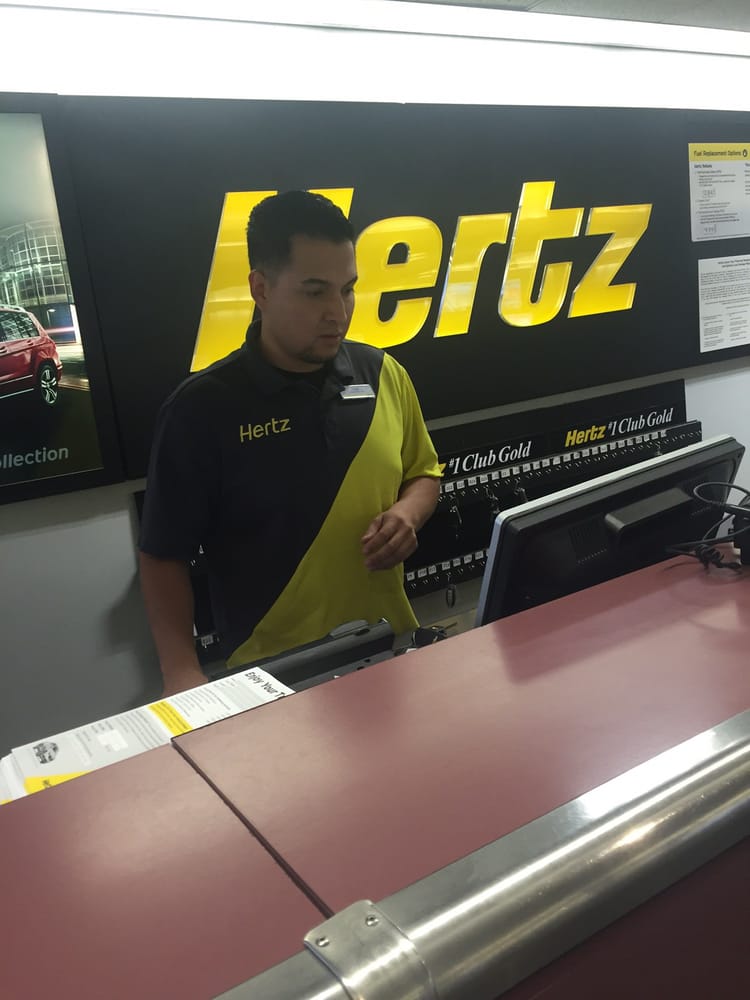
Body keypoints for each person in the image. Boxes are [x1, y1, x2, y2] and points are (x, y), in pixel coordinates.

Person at [139, 191, 441, 695]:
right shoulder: (200, 409)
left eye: (347, 290)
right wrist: (180, 671)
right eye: (314, 292)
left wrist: (408, 514)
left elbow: (424, 473)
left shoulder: (384, 373)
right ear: (260, 288)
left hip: (390, 651)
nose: (337, 312)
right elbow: (162, 553)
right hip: (269, 677)